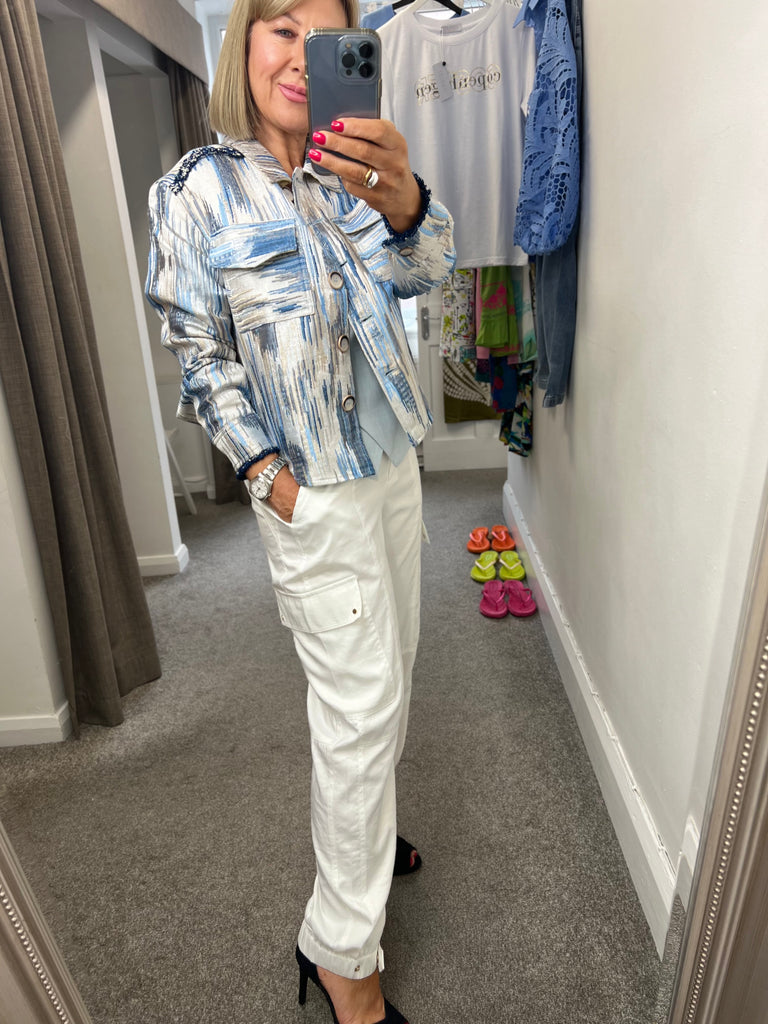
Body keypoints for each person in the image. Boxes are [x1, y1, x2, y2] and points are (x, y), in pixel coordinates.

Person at [146, 0, 455, 1020]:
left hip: (393, 463)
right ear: (244, 43)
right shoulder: (198, 191)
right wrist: (266, 474)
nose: (297, 55)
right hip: (311, 486)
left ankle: (367, 835)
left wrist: (407, 201)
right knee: (357, 712)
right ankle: (340, 953)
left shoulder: (355, 176)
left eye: (322, 37)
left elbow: (428, 271)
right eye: (281, 27)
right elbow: (199, 356)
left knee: (392, 674)